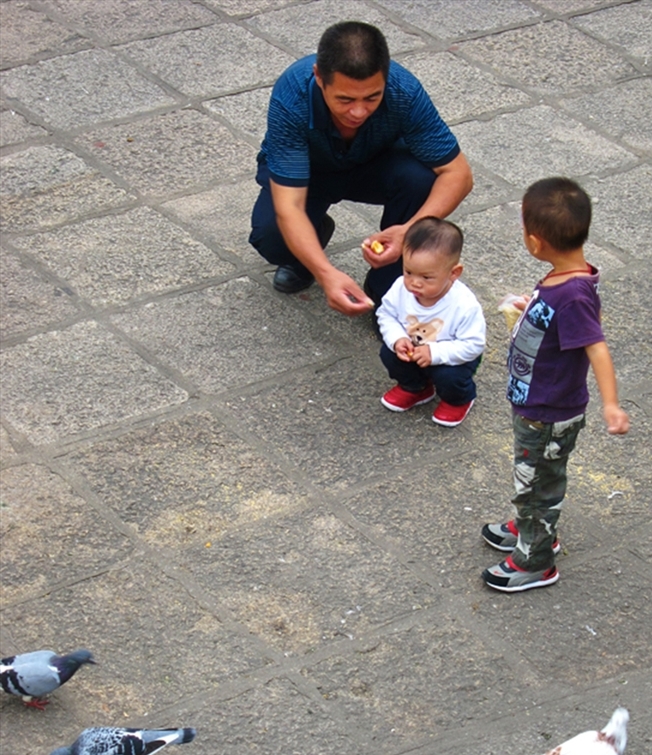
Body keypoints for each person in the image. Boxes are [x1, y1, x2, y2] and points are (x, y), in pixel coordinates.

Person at [249, 21, 473, 316]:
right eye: (345, 99)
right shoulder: (292, 97)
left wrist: (409, 231)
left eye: (372, 98)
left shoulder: (403, 91)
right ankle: (309, 243)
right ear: (319, 78)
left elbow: (459, 174)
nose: (358, 111)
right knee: (272, 236)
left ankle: (388, 291)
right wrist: (326, 273)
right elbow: (289, 206)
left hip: (373, 164)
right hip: (308, 173)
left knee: (423, 179)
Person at [481, 177, 630, 592]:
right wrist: (530, 309)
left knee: (539, 483)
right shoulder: (560, 280)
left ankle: (536, 560)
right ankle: (533, 527)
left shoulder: (575, 296)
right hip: (535, 403)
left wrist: (611, 404)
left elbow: (596, 347)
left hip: (548, 411)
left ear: (534, 241)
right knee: (533, 476)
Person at [376, 217, 485, 427]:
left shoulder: (464, 305)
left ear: (454, 273)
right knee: (388, 353)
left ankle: (459, 399)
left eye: (427, 277)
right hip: (413, 349)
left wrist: (435, 353)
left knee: (449, 376)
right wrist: (397, 339)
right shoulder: (401, 288)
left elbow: (473, 345)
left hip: (453, 355)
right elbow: (386, 314)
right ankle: (416, 387)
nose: (414, 282)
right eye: (408, 271)